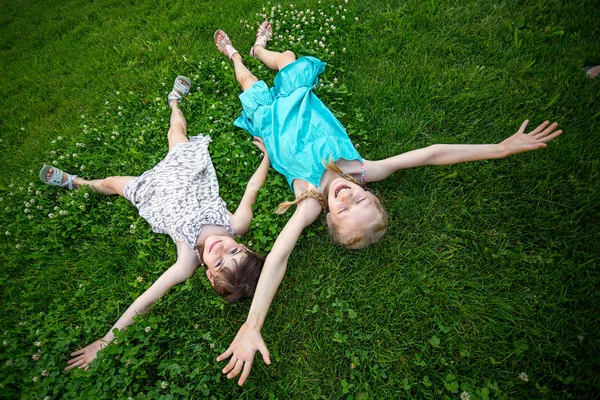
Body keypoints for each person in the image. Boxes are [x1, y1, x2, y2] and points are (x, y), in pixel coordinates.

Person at [213, 22, 564, 385]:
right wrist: (501, 148)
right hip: (299, 98)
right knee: (286, 60)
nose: (347, 196)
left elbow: (278, 257)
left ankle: (236, 55)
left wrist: (253, 323)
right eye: (361, 198)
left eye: (345, 209)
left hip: (272, 124)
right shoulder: (361, 171)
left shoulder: (311, 204)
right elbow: (431, 153)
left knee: (248, 84)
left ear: (329, 220)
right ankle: (261, 49)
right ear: (370, 191)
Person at [39, 76, 271, 371]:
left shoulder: (187, 261)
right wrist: (266, 157)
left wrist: (107, 340)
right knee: (176, 131)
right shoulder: (235, 223)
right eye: (234, 252)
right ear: (243, 245)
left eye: (220, 264)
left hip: (157, 194)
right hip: (186, 170)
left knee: (112, 183)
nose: (221, 250)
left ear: (210, 276)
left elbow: (147, 297)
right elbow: (252, 188)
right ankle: (174, 101)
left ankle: (76, 182)